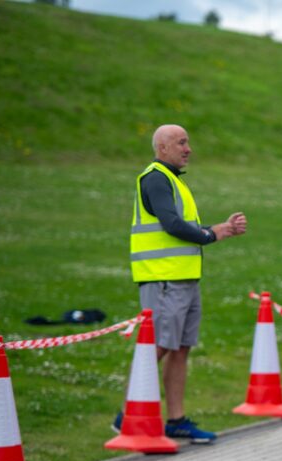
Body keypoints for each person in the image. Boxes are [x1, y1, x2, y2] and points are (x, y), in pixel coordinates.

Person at [117, 124, 247, 444]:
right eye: (181, 143)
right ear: (162, 148)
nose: (188, 148)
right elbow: (171, 224)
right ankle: (126, 415)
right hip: (163, 279)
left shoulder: (173, 179)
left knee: (180, 348)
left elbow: (181, 225)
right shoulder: (156, 178)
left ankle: (175, 420)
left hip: (183, 278)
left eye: (187, 142)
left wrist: (217, 229)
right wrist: (209, 235)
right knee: (160, 345)